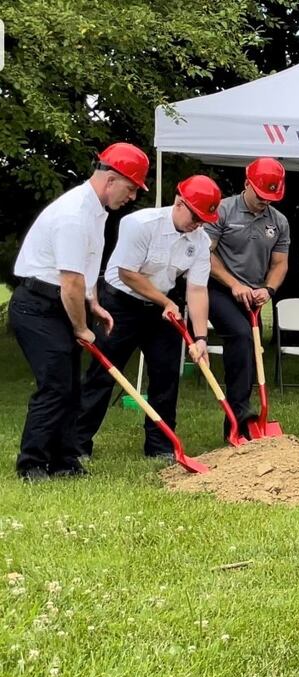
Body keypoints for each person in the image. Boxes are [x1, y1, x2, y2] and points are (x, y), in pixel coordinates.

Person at [10, 142, 146, 480]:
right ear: (111, 178)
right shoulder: (74, 214)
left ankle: (64, 460)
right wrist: (83, 328)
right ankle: (32, 464)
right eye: (130, 188)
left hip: (60, 303)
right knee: (55, 384)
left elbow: (85, 270)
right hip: (37, 307)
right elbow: (69, 281)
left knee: (71, 385)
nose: (131, 197)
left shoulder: (96, 211)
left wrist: (94, 303)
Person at [74, 174, 221, 461]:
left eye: (204, 219)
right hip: (120, 305)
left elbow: (197, 288)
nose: (198, 224)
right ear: (179, 203)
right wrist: (166, 300)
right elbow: (127, 273)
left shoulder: (200, 241)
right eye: (195, 216)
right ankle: (77, 445)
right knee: (102, 375)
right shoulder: (140, 224)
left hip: (160, 310)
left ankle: (161, 447)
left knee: (166, 376)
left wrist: (201, 338)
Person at [205, 157, 290, 442]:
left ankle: (239, 420)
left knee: (252, 354)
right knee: (240, 337)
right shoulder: (223, 211)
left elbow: (280, 264)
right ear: (247, 184)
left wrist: (268, 289)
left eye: (270, 197)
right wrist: (234, 284)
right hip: (218, 288)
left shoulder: (279, 222)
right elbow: (206, 254)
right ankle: (239, 417)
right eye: (261, 195)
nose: (265, 201)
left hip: (254, 294)